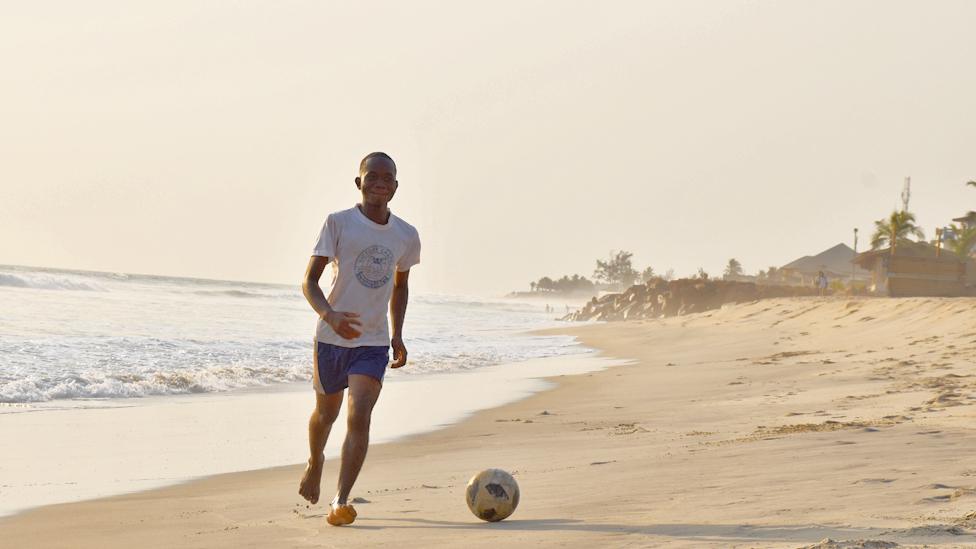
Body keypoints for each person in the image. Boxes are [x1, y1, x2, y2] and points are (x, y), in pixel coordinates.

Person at [298, 152, 421, 526]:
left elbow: (401, 286)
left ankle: (341, 499)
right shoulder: (338, 223)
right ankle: (315, 460)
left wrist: (397, 333)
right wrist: (329, 315)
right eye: (372, 176)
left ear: (395, 188)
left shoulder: (406, 235)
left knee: (360, 415)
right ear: (359, 183)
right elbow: (309, 282)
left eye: (387, 178)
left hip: (372, 342)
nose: (379, 182)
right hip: (332, 339)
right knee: (326, 414)